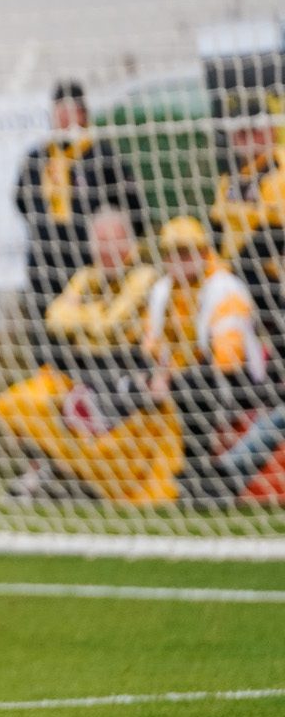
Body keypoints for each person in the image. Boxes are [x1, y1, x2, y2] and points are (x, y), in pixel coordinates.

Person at [0, 208, 174, 504]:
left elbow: (114, 324)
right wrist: (95, 316)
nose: (105, 250)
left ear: (129, 242)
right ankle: (49, 472)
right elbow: (54, 317)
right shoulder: (86, 276)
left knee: (92, 408)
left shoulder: (144, 276)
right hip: (85, 370)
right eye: (99, 243)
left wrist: (84, 318)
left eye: (112, 242)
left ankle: (69, 478)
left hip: (126, 372)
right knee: (21, 402)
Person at [145, 216, 267, 505]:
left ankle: (200, 470)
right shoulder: (162, 290)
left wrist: (171, 378)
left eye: (186, 253)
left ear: (203, 253)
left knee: (193, 386)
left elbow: (227, 356)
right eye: (171, 254)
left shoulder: (225, 287)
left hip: (240, 380)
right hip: (185, 375)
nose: (178, 261)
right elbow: (153, 344)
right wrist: (160, 374)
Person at [15, 81, 143, 324]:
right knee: (45, 320)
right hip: (46, 258)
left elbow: (131, 206)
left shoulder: (101, 155)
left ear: (83, 115)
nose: (62, 119)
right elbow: (21, 200)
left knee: (88, 318)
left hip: (88, 258)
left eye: (69, 112)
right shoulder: (38, 157)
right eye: (58, 112)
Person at [209, 95, 285, 347]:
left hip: (270, 276)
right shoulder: (230, 179)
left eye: (254, 131)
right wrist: (216, 270)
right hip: (237, 274)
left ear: (271, 131)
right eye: (240, 133)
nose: (246, 139)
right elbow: (216, 228)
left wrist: (231, 271)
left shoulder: (279, 168)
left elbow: (274, 233)